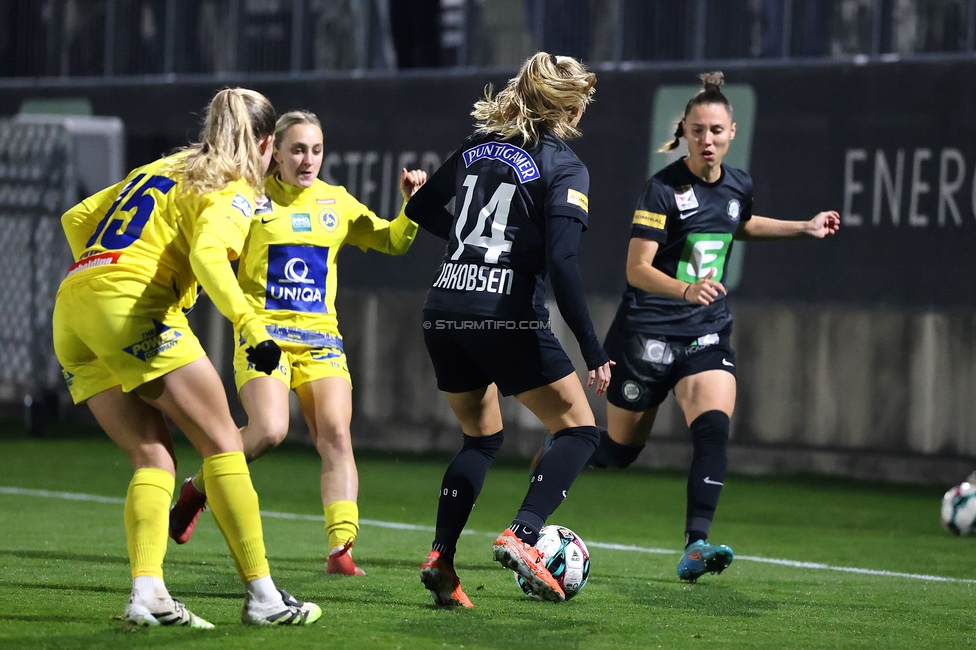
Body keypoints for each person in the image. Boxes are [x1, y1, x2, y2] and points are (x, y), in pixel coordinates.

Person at [52, 88, 322, 627]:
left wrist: (104, 277)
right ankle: (265, 599)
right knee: (224, 443)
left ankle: (148, 594)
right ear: (265, 145)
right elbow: (207, 255)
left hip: (74, 306)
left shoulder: (165, 166)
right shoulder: (234, 185)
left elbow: (76, 217)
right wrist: (250, 325)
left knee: (153, 457)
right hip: (133, 306)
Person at [590, 71, 840, 582]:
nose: (708, 139)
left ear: (732, 132)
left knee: (712, 432)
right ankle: (558, 450)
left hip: (705, 331)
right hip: (645, 335)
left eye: (717, 130)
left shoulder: (738, 184)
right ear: (684, 131)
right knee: (618, 453)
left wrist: (804, 227)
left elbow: (738, 223)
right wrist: (685, 290)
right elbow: (636, 269)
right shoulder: (661, 190)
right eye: (698, 130)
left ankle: (696, 545)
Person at [168, 110, 428, 576]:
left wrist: (411, 207)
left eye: (316, 150)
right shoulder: (250, 199)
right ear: (275, 152)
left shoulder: (336, 202)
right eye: (298, 150)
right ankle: (197, 489)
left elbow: (393, 242)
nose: (308, 160)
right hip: (264, 337)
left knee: (336, 434)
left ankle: (341, 549)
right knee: (269, 431)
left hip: (321, 340)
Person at [404, 51, 613, 607]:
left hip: (444, 308)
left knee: (481, 438)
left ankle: (441, 559)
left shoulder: (476, 146)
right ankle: (523, 534)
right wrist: (594, 350)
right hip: (504, 314)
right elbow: (563, 263)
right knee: (580, 431)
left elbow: (420, 207)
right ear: (570, 107)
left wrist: (474, 244)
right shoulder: (564, 166)